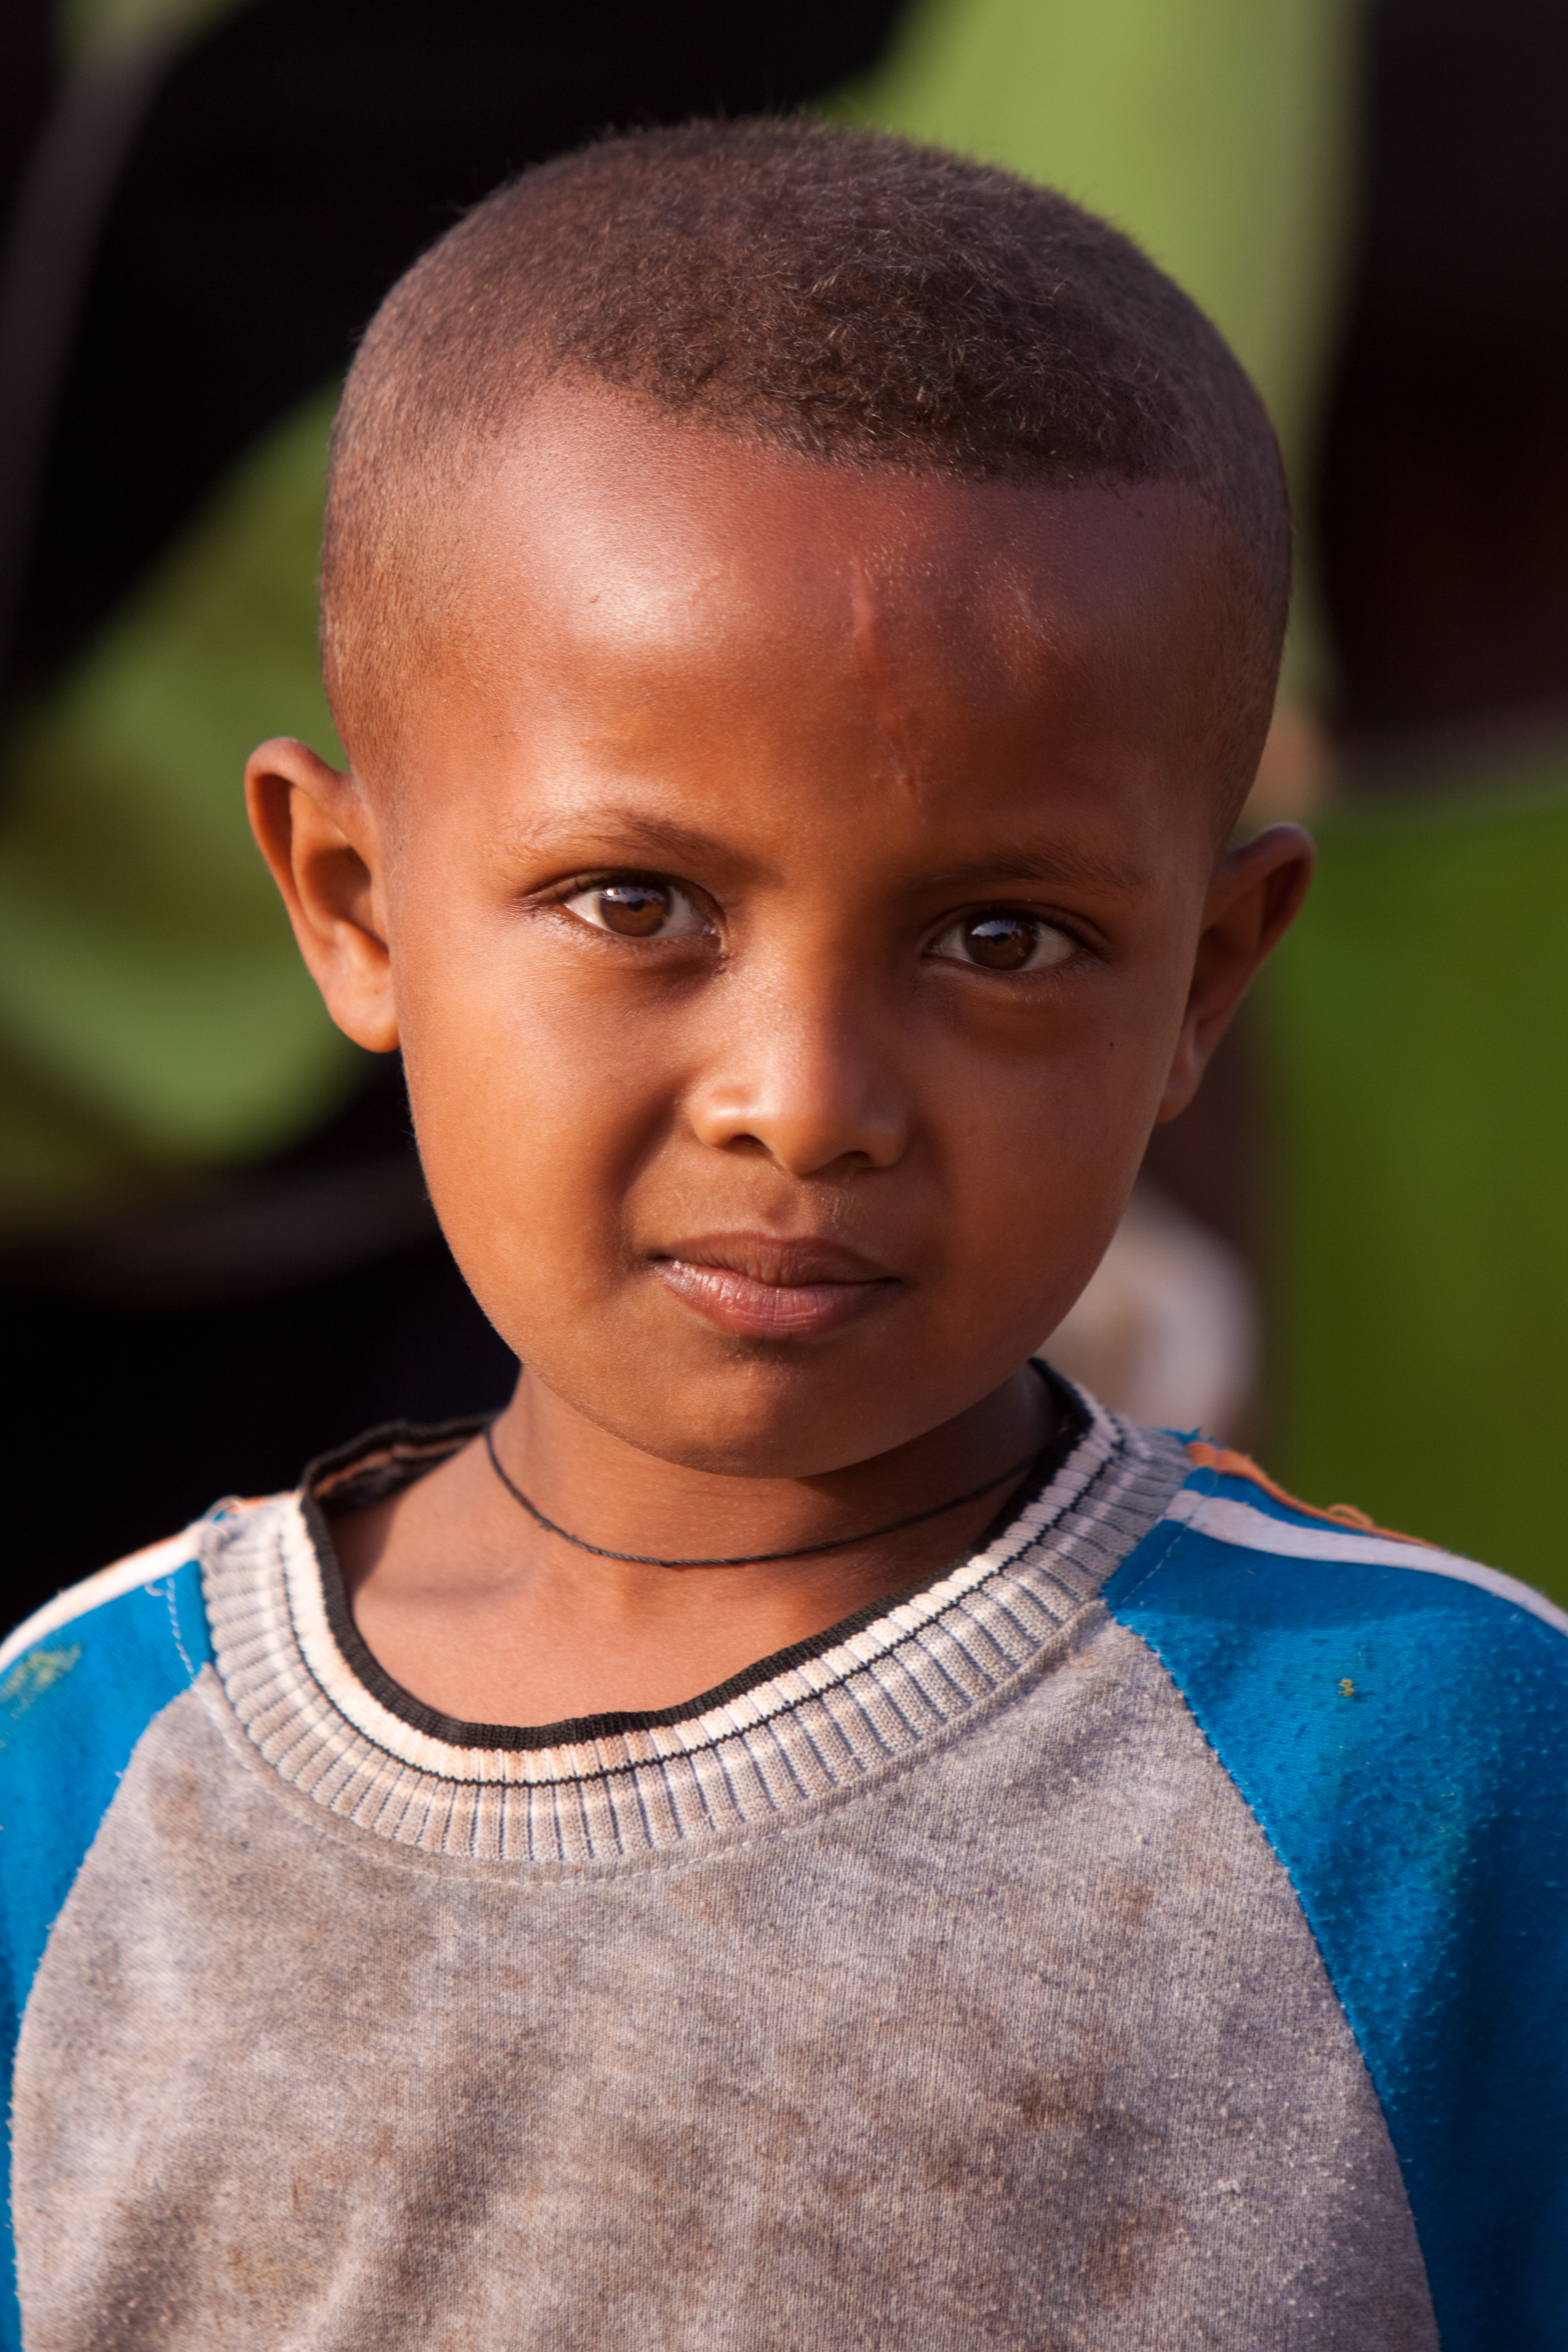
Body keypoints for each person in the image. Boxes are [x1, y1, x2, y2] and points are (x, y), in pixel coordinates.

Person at [0, 120, 1561, 2349]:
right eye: (640, 906)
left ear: (1207, 981)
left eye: (1004, 938)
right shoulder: (77, 1777)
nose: (806, 1100)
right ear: (350, 906)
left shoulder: (1441, 1779)